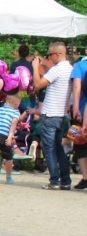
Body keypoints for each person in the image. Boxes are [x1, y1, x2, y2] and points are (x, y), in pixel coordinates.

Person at [32, 41, 73, 190]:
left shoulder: (56, 70)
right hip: (62, 115)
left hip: (50, 114)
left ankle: (54, 181)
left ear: (57, 54)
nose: (49, 57)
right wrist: (46, 65)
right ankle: (66, 180)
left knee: (49, 149)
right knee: (59, 149)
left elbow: (38, 84)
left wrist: (35, 68)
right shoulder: (69, 69)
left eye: (50, 55)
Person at [0, 93, 22, 185]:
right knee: (8, 157)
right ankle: (9, 177)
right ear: (15, 104)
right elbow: (13, 124)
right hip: (4, 136)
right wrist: (10, 136)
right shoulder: (15, 112)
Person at [68, 50, 87, 188]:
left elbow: (77, 86)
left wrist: (75, 108)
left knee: (79, 143)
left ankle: (85, 177)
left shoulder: (81, 65)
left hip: (81, 110)